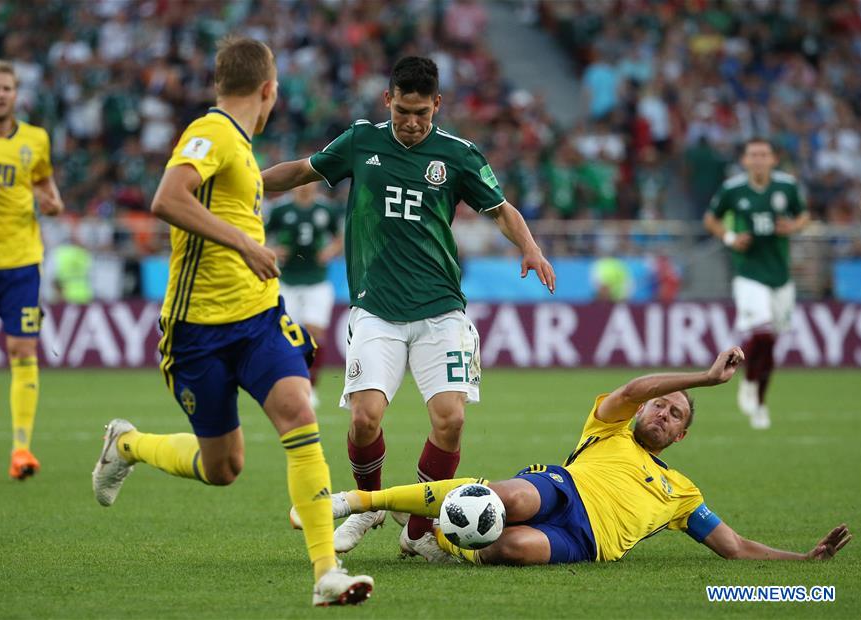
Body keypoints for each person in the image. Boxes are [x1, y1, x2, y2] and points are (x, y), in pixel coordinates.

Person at [90, 36, 372, 607]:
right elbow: (168, 198)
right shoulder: (214, 133)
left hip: (259, 318)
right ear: (268, 90)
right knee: (223, 468)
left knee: (298, 411)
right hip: (196, 331)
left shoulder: (240, 147)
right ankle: (128, 446)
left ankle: (326, 573)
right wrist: (243, 240)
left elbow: (249, 188)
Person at [261, 56, 556, 560]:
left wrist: (529, 246)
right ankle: (368, 508)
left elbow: (500, 209)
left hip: (441, 308)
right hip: (376, 308)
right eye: (403, 111)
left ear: (437, 105)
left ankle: (418, 531)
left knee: (451, 421)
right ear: (388, 101)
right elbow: (301, 171)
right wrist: (242, 181)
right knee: (364, 418)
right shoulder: (361, 141)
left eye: (422, 112)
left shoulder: (459, 155)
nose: (412, 122)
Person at [301, 347, 851, 566]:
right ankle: (361, 501)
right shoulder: (610, 428)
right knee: (508, 498)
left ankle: (425, 536)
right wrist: (703, 380)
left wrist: (803, 562)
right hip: (563, 486)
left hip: (588, 542)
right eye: (660, 405)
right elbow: (635, 387)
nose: (662, 412)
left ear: (681, 437)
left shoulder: (682, 493)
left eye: (676, 414)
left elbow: (732, 547)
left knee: (513, 547)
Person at [0, 60, 64, 479]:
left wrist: (52, 201)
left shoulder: (36, 139)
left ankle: (21, 450)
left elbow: (43, 181)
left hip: (23, 262)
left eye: (7, 88)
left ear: (16, 94)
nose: (1, 94)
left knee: (23, 351)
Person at [704, 138, 810, 430]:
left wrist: (794, 226)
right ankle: (748, 381)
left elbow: (804, 214)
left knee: (771, 341)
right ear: (745, 160)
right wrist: (730, 238)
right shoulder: (733, 189)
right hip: (749, 273)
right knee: (761, 333)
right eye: (754, 154)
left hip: (781, 276)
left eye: (764, 154)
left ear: (773, 159)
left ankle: (761, 403)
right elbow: (711, 219)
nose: (759, 159)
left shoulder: (786, 186)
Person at [266, 182, 343, 408]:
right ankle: (287, 387)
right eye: (302, 182)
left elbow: (339, 238)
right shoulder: (280, 209)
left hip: (317, 282)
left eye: (311, 182)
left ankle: (311, 388)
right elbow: (260, 236)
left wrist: (330, 251)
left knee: (314, 332)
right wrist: (273, 251)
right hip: (287, 281)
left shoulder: (325, 209)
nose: (306, 186)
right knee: (287, 336)